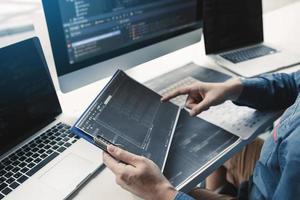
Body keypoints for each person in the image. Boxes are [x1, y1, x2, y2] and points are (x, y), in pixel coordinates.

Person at [103, 71, 300, 200]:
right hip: (274, 173)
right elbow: (293, 83)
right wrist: (233, 88)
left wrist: (162, 193)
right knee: (222, 136)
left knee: (146, 189)